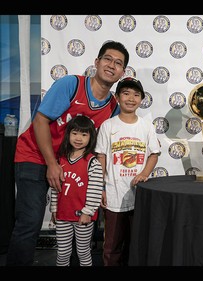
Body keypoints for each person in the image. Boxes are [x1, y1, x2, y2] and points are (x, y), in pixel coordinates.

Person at [7, 40, 129, 266]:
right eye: (108, 59)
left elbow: (102, 150)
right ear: (97, 62)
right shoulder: (71, 84)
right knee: (31, 220)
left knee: (79, 220)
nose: (112, 65)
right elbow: (41, 121)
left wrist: (101, 185)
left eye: (118, 63)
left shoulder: (113, 108)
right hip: (34, 155)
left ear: (122, 72)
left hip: (71, 165)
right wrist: (52, 164)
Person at [95, 77, 161, 266]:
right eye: (126, 93)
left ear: (141, 99)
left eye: (136, 94)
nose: (131, 98)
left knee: (136, 244)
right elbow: (101, 157)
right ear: (117, 97)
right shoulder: (108, 126)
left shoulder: (146, 125)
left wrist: (144, 174)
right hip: (114, 195)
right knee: (112, 246)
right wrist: (101, 188)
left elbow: (154, 154)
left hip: (139, 197)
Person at [49, 115, 103, 266]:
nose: (78, 138)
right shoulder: (61, 160)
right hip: (63, 216)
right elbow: (55, 187)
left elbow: (95, 189)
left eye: (84, 134)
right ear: (68, 135)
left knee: (83, 252)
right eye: (75, 133)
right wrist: (54, 208)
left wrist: (87, 211)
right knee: (63, 252)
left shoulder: (92, 162)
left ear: (91, 137)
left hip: (82, 217)